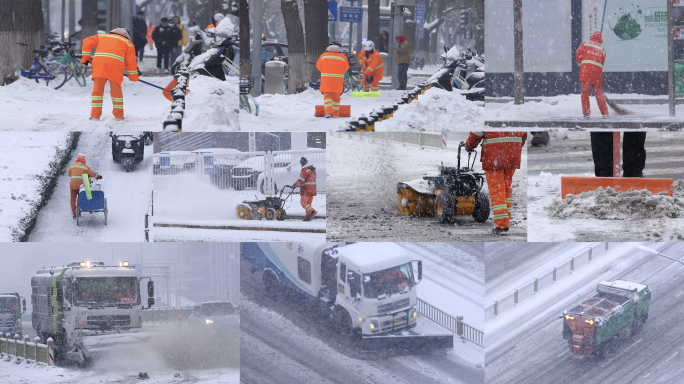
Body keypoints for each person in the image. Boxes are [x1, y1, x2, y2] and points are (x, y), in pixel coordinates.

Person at [465, 131, 527, 235]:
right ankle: (505, 220)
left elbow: (476, 134)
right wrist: (514, 146)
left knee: (497, 190)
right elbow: (524, 134)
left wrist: (469, 146)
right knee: (506, 188)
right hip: (512, 156)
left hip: (494, 157)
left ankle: (501, 225)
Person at [81, 28, 139, 120]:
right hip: (115, 67)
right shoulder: (127, 43)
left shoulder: (102, 36)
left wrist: (86, 58)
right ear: (127, 36)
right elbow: (131, 61)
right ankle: (119, 116)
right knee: (116, 91)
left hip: (99, 65)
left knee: (97, 91)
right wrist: (133, 76)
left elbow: (87, 41)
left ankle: (95, 115)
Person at [576, 30, 608, 119]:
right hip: (597, 74)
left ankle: (586, 113)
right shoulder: (602, 49)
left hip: (585, 72)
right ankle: (604, 112)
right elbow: (602, 63)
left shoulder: (585, 44)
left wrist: (580, 62)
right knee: (599, 93)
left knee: (585, 93)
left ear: (592, 36)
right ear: (601, 39)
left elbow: (578, 53)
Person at [316, 41, 349, 118]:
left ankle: (327, 113)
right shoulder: (342, 57)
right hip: (338, 80)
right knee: (336, 97)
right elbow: (346, 67)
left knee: (327, 97)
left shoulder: (323, 56)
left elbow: (318, 66)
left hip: (326, 80)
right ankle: (335, 114)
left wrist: (326, 71)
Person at [68, 153, 102, 219]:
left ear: (77, 159)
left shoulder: (71, 166)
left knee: (72, 200)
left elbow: (69, 174)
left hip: (72, 186)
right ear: (83, 160)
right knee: (81, 198)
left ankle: (74, 214)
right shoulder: (85, 167)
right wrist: (98, 176)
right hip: (81, 186)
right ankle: (80, 211)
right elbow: (92, 174)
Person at [292, 157, 317, 221]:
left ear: (303, 163)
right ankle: (308, 217)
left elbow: (301, 180)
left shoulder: (305, 170)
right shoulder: (312, 170)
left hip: (306, 190)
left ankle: (312, 211)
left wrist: (294, 185)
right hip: (312, 190)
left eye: (301, 163)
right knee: (308, 204)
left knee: (303, 203)